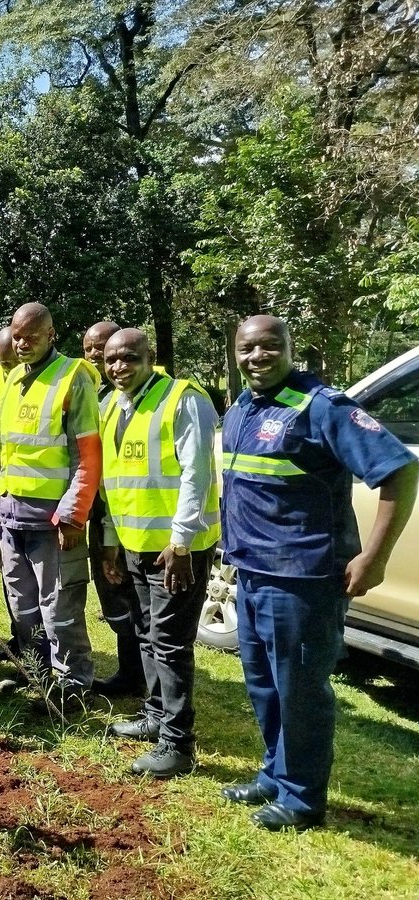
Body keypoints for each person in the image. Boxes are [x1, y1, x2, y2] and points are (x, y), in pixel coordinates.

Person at [219, 314, 417, 830]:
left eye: (268, 347)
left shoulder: (322, 406)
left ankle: (302, 799)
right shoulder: (243, 406)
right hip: (253, 571)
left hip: (304, 579)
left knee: (300, 689)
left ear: (289, 348)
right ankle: (274, 775)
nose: (256, 357)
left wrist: (372, 558)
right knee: (263, 684)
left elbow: (401, 470)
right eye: (246, 349)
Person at [98, 329, 220, 778]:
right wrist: (112, 540)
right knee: (147, 633)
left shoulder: (183, 399)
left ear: (151, 357)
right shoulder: (112, 405)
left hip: (176, 549)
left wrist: (182, 541)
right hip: (135, 544)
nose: (118, 367)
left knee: (170, 643)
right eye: (111, 360)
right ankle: (154, 716)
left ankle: (178, 743)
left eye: (129, 358)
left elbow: (197, 473)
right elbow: (115, 482)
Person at [0, 302, 101, 704]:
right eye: (17, 336)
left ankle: (72, 685)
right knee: (23, 607)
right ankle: (36, 674)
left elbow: (87, 456)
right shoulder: (14, 378)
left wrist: (74, 515)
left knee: (60, 606)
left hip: (54, 521)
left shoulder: (73, 378)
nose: (21, 344)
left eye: (31, 337)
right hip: (12, 517)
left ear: (51, 335)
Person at [82, 320, 143, 697]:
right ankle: (130, 671)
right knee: (113, 591)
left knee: (128, 593)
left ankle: (139, 677)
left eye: (102, 347)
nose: (96, 355)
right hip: (103, 514)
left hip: (125, 515)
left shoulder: (123, 399)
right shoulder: (99, 396)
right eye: (90, 348)